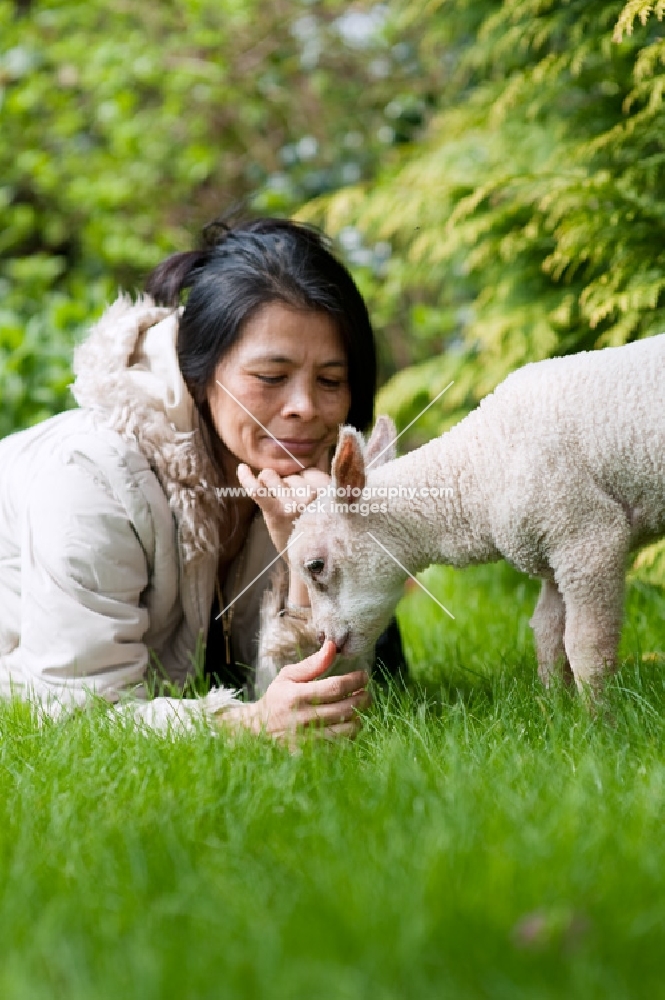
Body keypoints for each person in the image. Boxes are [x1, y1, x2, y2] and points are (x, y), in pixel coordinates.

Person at [0, 217, 407, 737]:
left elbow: (326, 709)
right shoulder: (90, 480)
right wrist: (244, 726)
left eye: (330, 380)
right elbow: (76, 714)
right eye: (270, 378)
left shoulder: (308, 478)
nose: (306, 407)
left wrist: (308, 562)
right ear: (198, 372)